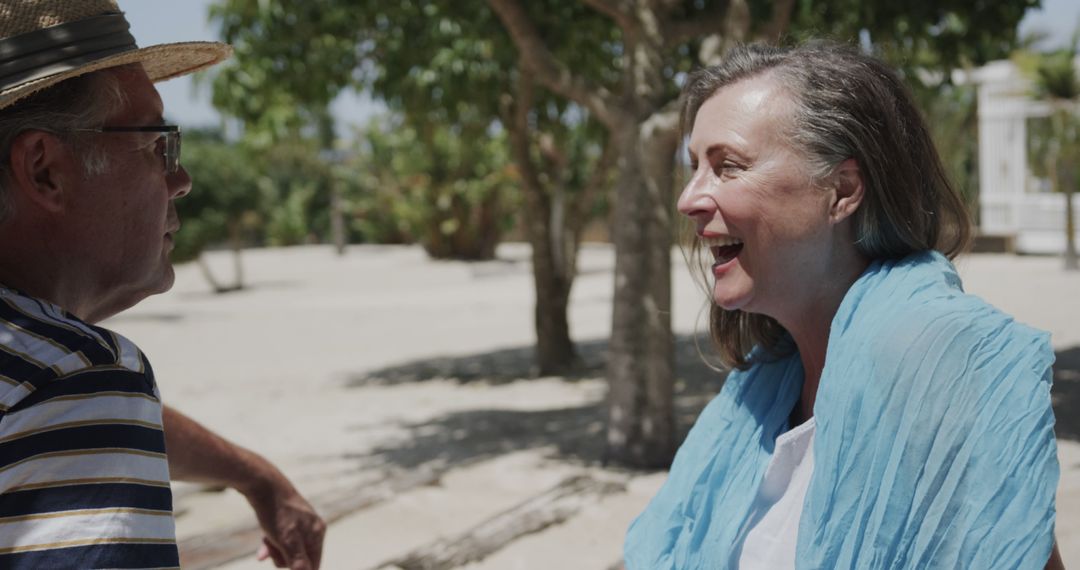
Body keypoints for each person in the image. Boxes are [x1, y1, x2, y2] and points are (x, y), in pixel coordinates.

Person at [624, 42, 1063, 569]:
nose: (688, 199)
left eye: (728, 166)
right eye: (694, 167)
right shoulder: (756, 393)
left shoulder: (943, 368)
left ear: (842, 189)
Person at [0, 2, 325, 569]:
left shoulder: (49, 379)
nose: (181, 179)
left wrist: (254, 475)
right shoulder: (77, 381)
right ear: (43, 169)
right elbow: (71, 392)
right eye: (157, 143)